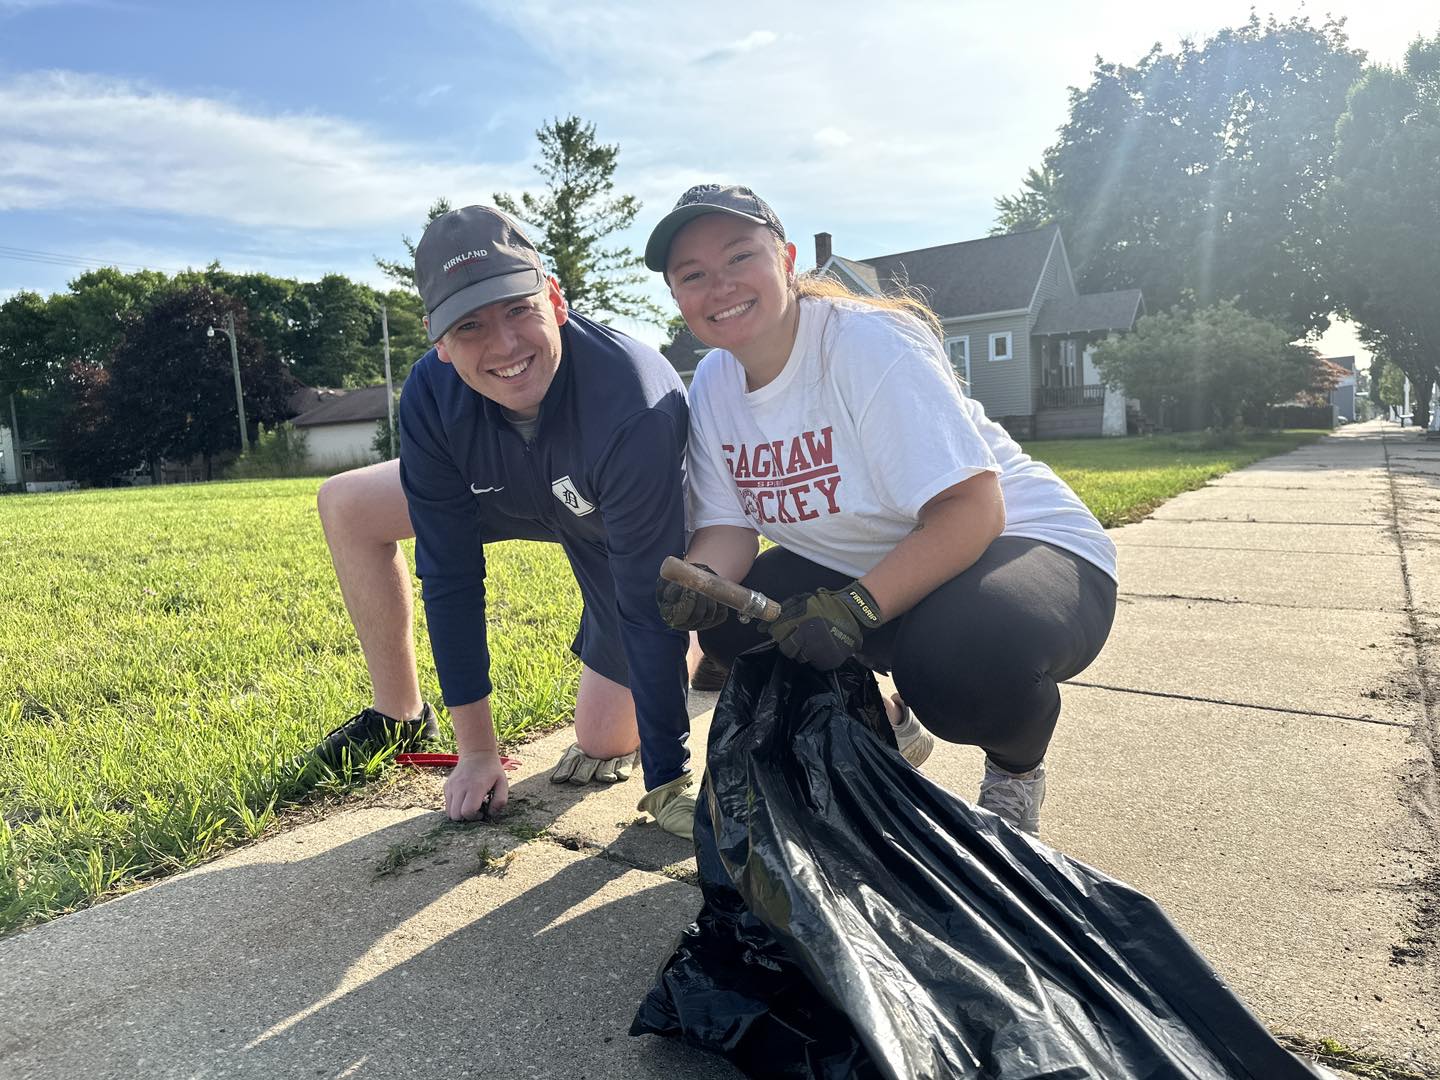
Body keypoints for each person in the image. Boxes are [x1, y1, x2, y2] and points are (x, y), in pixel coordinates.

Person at [648, 185, 1118, 837]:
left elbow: (973, 509)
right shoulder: (715, 384)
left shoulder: (867, 344)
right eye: (692, 275)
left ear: (786, 260)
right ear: (676, 296)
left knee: (957, 669)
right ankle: (887, 730)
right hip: (889, 567)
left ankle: (1015, 775)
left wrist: (857, 608)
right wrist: (703, 580)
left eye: (739, 258)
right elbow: (729, 525)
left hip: (1022, 544)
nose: (719, 285)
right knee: (732, 628)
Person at [308, 205, 697, 839]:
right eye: (470, 326)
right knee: (347, 502)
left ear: (555, 299)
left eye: (519, 309)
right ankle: (399, 717)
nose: (506, 346)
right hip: (505, 487)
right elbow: (450, 573)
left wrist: (668, 774)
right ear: (438, 340)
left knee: (603, 737)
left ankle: (701, 644)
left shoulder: (632, 400)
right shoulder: (430, 394)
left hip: (615, 523)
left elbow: (642, 598)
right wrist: (478, 752)